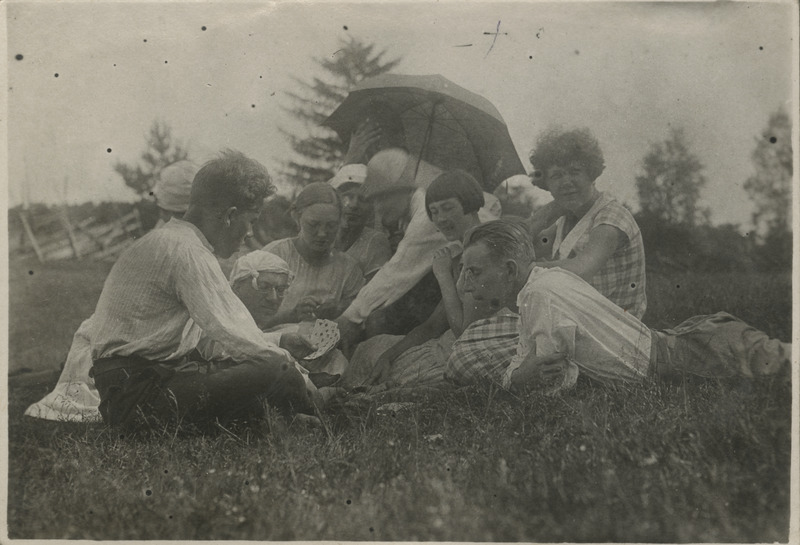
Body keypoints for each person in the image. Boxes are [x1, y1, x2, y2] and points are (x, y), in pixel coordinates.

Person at [88, 150, 318, 428]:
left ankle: (274, 420)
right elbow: (239, 338)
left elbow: (208, 342)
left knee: (250, 366)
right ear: (230, 216)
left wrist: (279, 342)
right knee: (276, 369)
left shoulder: (168, 240)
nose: (249, 233)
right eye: (252, 221)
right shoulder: (188, 251)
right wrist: (298, 375)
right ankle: (322, 408)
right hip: (138, 396)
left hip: (132, 391)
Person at [447, 220, 791, 392]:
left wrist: (517, 380)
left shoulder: (540, 296)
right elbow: (528, 360)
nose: (465, 282)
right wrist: (519, 376)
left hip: (689, 359)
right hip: (683, 343)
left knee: (785, 365)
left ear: (509, 271)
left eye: (474, 271)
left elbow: (551, 381)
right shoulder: (537, 287)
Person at [25, 160, 200, 423]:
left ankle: (22, 377)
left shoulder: (174, 240)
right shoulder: (166, 244)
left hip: (125, 345)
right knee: (68, 382)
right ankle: (17, 379)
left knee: (58, 374)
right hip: (112, 349)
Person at [340, 170, 494, 390]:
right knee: (371, 350)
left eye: (448, 208)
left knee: (381, 374)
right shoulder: (458, 255)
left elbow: (465, 332)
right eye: (434, 212)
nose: (441, 219)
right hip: (453, 343)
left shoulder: (485, 251)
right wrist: (389, 356)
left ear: (470, 204)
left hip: (477, 351)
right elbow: (432, 326)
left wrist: (443, 276)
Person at [336, 148, 502, 343]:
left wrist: (349, 317)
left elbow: (395, 274)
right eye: (374, 201)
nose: (378, 207)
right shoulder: (421, 207)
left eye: (381, 198)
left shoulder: (426, 216)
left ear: (404, 191)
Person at [525, 127, 647, 318]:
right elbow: (526, 246)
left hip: (615, 326)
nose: (566, 182)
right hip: (580, 318)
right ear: (546, 183)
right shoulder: (566, 218)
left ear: (591, 174)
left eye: (575, 172)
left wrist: (525, 269)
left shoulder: (611, 218)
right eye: (557, 175)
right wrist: (545, 214)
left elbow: (581, 269)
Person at [264, 182, 365, 324]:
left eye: (331, 226)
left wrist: (339, 311)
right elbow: (247, 320)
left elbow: (358, 321)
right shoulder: (274, 255)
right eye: (313, 224)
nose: (322, 233)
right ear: (297, 217)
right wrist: (290, 316)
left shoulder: (348, 269)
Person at [329, 165, 392, 280]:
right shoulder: (321, 234)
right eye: (348, 197)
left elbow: (375, 288)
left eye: (363, 199)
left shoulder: (375, 242)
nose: (354, 205)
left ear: (371, 208)